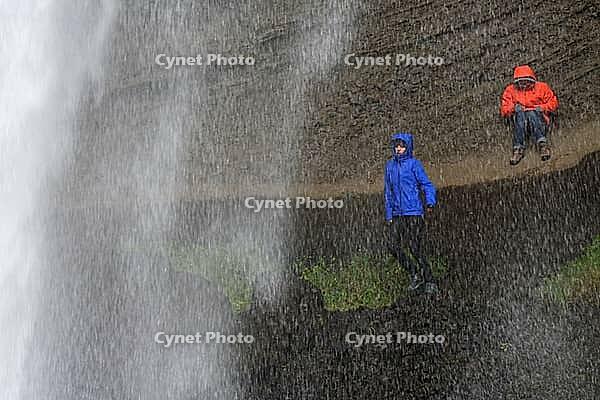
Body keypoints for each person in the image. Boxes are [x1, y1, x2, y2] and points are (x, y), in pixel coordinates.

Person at [384, 132, 438, 294]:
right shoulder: (390, 166)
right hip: (397, 213)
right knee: (392, 245)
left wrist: (430, 201)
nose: (398, 148)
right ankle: (414, 273)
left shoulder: (414, 164)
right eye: (396, 145)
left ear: (408, 147)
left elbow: (426, 184)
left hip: (413, 211)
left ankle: (429, 279)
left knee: (415, 247)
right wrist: (389, 214)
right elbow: (388, 191)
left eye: (402, 145)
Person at [500, 65, 559, 165]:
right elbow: (504, 109)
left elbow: (553, 103)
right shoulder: (510, 90)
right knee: (521, 114)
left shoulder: (542, 87)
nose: (523, 84)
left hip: (539, 119)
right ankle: (518, 149)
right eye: (521, 82)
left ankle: (542, 145)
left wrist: (542, 108)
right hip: (520, 121)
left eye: (526, 81)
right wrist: (513, 108)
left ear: (531, 79)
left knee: (531, 113)